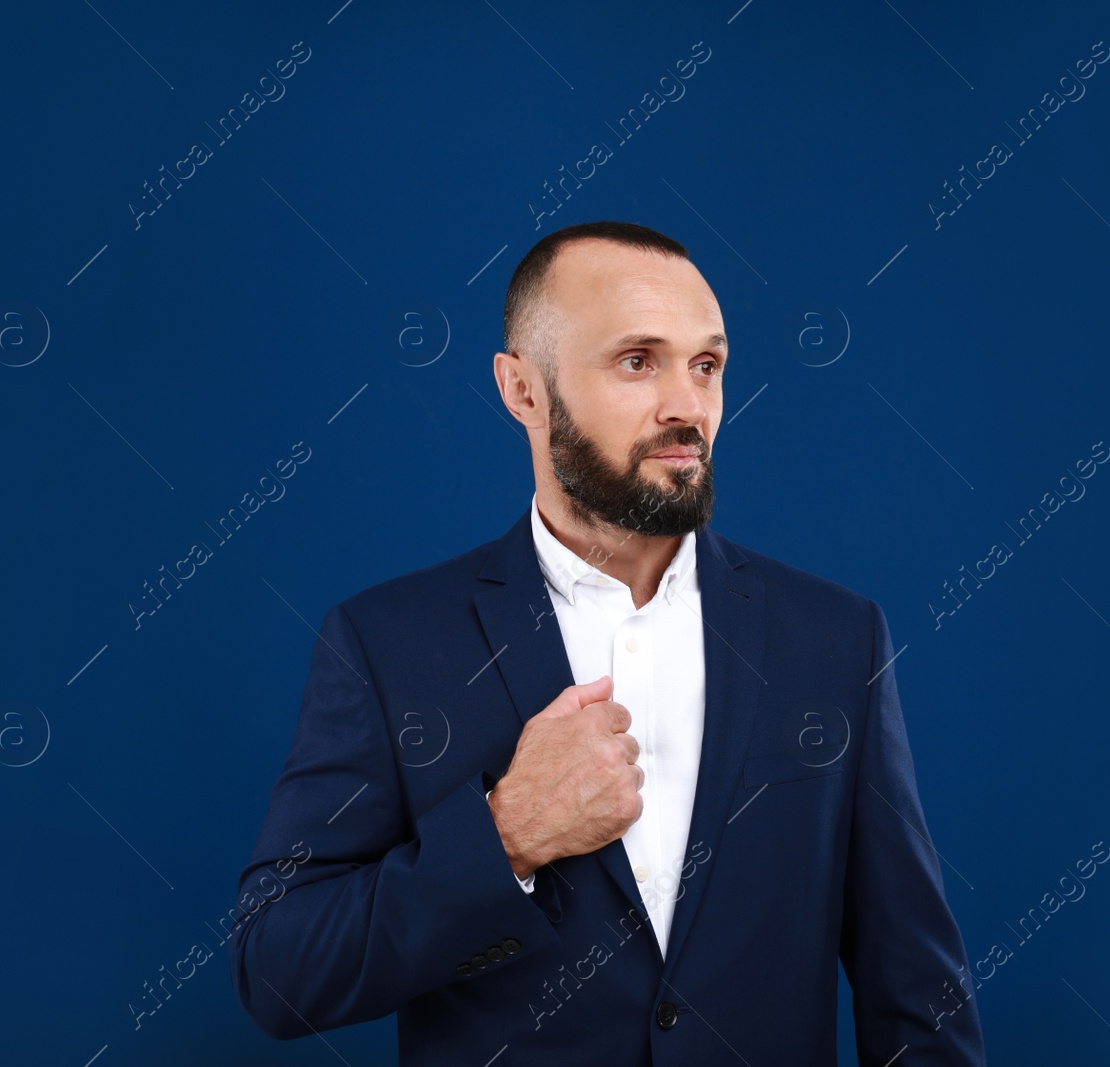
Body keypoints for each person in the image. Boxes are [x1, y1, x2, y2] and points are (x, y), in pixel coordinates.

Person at [227, 220, 986, 1064]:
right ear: (523, 391)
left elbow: (918, 993)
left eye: (707, 365)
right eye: (637, 361)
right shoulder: (385, 643)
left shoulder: (836, 639)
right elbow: (278, 970)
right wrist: (506, 833)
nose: (687, 406)